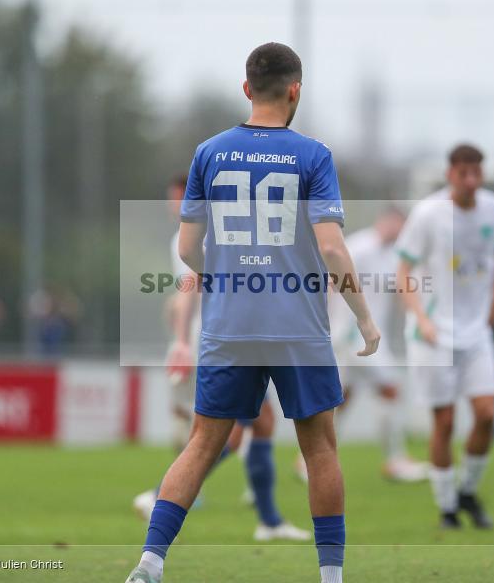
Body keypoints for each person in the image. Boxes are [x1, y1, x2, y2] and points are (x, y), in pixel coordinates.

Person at [126, 42, 380, 583]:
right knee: (319, 449)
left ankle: (151, 563)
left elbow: (188, 248)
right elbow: (333, 249)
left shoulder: (209, 153)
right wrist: (363, 316)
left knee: (202, 443)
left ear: (247, 89)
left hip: (229, 324)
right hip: (298, 328)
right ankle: (331, 577)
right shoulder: (313, 156)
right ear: (295, 91)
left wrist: (222, 270)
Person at [133, 174, 309, 543]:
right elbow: (188, 289)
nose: (172, 206)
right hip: (219, 341)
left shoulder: (208, 231)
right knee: (224, 432)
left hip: (222, 339)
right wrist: (180, 341)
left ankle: (269, 521)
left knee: (257, 424)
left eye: (177, 199)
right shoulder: (202, 234)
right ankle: (158, 495)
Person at [396, 143, 494, 529]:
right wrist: (421, 321)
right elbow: (403, 273)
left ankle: (468, 491)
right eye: (464, 173)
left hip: (477, 333)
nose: (471, 180)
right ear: (451, 174)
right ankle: (447, 509)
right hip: (433, 334)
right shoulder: (428, 214)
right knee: (443, 423)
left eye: (477, 172)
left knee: (487, 414)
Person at [326, 207, 427, 482]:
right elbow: (331, 280)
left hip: (371, 337)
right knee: (391, 388)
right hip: (350, 337)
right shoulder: (359, 246)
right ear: (385, 221)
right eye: (398, 224)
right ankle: (395, 460)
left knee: (343, 399)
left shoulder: (394, 254)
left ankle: (308, 462)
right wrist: (336, 325)